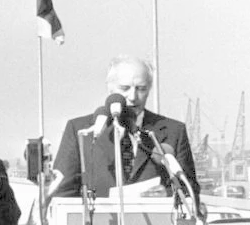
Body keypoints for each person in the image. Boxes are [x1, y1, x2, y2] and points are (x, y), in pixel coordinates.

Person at [52, 55, 199, 199]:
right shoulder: (80, 130)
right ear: (110, 88)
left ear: (149, 89)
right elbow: (62, 192)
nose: (133, 96)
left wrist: (168, 193)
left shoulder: (174, 131)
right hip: (100, 221)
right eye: (124, 88)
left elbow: (190, 188)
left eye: (141, 89)